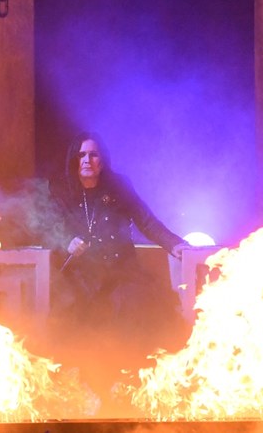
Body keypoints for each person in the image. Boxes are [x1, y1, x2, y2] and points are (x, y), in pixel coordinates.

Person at [45, 133, 189, 369]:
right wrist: (66, 241)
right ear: (74, 159)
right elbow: (48, 225)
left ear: (102, 160)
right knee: (72, 315)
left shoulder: (119, 186)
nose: (87, 160)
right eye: (81, 155)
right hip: (82, 274)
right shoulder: (62, 189)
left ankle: (132, 374)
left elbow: (146, 220)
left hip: (121, 271)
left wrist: (174, 244)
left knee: (138, 305)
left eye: (93, 155)